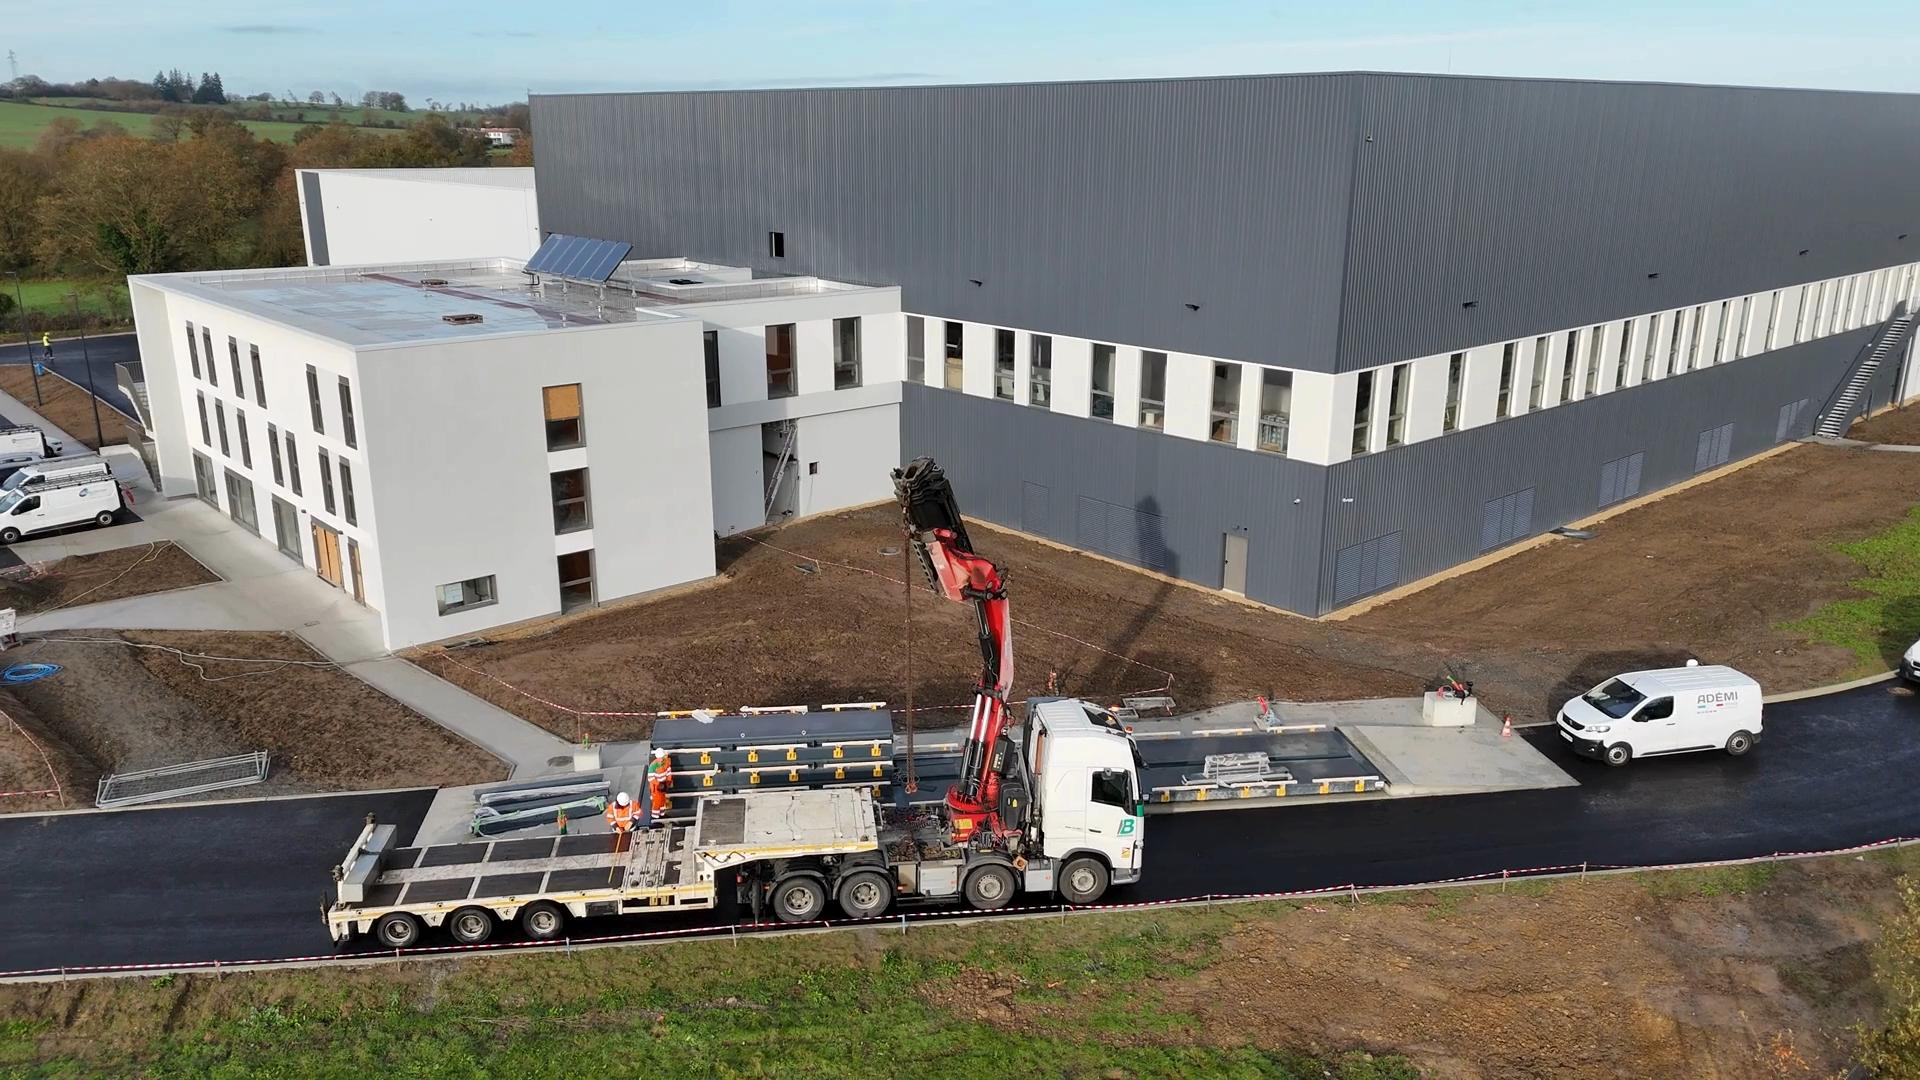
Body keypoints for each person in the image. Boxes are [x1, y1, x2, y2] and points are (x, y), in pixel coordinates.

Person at [646, 748, 673, 824]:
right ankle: (655, 817)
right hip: (656, 787)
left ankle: (662, 814)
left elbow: (668, 772)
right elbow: (650, 778)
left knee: (662, 801)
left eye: (662, 757)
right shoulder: (653, 766)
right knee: (657, 802)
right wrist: (659, 784)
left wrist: (668, 781)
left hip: (663, 785)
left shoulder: (666, 762)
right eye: (660, 758)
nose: (661, 759)